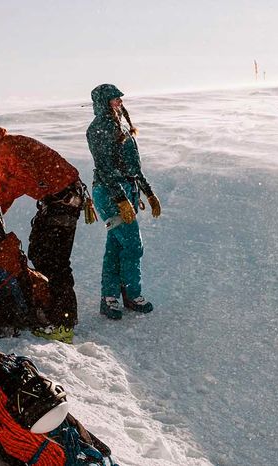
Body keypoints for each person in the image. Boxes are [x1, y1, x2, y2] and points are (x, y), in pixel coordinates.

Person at [0, 126, 91, 343]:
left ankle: (64, 322)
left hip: (64, 199)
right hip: (54, 201)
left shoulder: (7, 149)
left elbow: (25, 179)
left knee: (53, 260)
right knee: (39, 253)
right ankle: (54, 313)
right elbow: (5, 191)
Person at [86, 84, 161, 320]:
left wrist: (148, 193)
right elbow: (105, 168)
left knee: (116, 246)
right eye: (114, 99)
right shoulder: (98, 128)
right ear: (102, 102)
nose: (119, 102)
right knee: (132, 245)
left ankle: (110, 298)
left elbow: (133, 167)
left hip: (125, 191)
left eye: (119, 98)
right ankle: (131, 294)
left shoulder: (121, 126)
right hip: (109, 193)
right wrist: (120, 200)